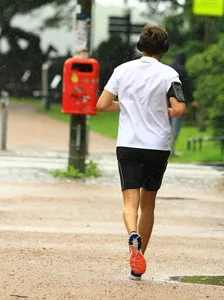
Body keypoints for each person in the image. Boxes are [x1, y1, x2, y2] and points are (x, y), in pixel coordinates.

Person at [96, 25, 186, 280]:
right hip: (157, 146)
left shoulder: (122, 70)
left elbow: (101, 104)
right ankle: (138, 262)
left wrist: (126, 105)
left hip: (129, 144)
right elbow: (179, 110)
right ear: (165, 48)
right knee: (149, 205)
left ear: (140, 46)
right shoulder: (170, 74)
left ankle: (131, 234)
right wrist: (162, 111)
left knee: (129, 201)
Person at [169, 53, 196, 156]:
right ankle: (171, 149)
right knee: (176, 125)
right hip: (179, 101)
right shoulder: (182, 70)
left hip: (167, 100)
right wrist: (191, 99)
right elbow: (185, 85)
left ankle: (164, 148)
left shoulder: (169, 68)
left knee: (167, 125)